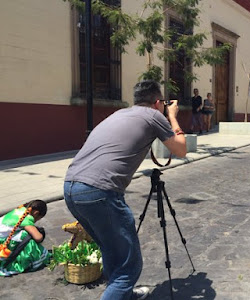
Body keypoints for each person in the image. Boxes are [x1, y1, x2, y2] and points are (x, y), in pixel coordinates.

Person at [63, 80, 186, 300]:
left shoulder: (121, 113)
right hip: (100, 192)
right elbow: (181, 148)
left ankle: (124, 295)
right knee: (129, 266)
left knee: (111, 250)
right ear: (158, 102)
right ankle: (120, 291)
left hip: (71, 188)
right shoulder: (154, 115)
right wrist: (173, 116)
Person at [0, 200, 50, 276]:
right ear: (36, 213)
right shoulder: (27, 219)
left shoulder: (20, 210)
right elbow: (38, 237)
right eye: (38, 218)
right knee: (26, 235)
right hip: (3, 243)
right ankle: (22, 259)